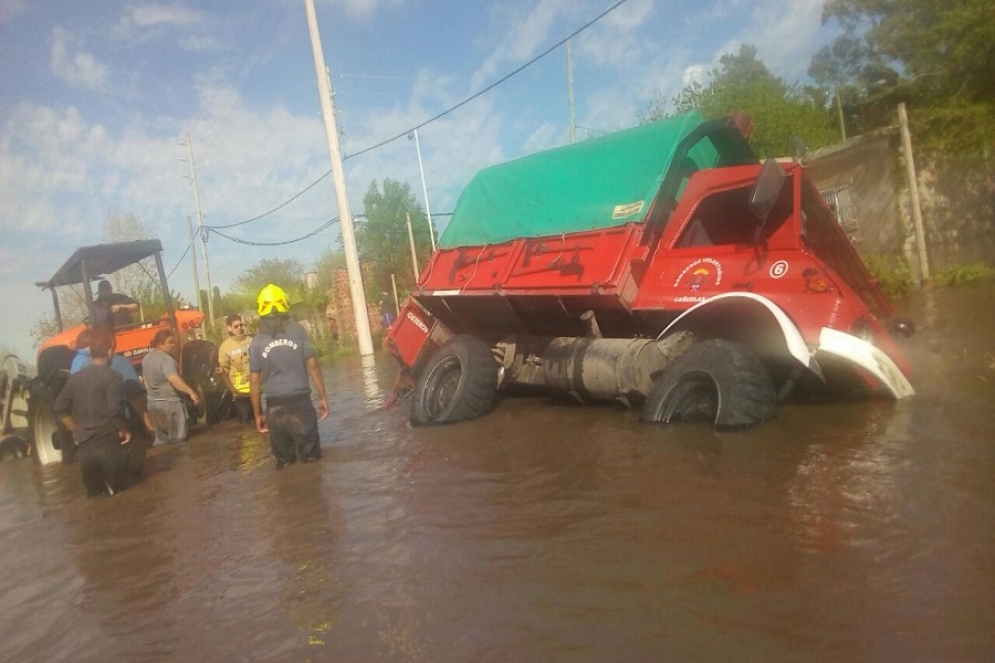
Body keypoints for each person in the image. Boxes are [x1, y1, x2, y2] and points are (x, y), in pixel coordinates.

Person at [54, 327, 146, 496]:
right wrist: (124, 431)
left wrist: (76, 429)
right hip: (108, 447)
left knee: (96, 500)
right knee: (118, 498)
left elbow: (60, 408)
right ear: (109, 351)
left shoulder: (75, 379)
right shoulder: (113, 376)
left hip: (85, 453)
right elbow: (114, 411)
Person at [249, 283, 329, 469]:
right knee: (312, 461)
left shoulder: (257, 342)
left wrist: (258, 414)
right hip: (301, 402)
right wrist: (323, 397)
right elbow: (313, 365)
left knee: (284, 464)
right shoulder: (298, 331)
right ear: (285, 305)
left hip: (275, 407)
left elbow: (254, 381)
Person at [142, 329, 200, 446]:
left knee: (161, 442)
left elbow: (145, 381)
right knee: (179, 441)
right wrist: (191, 392)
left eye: (173, 342)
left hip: (153, 406)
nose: (173, 345)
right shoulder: (166, 360)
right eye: (170, 342)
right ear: (159, 344)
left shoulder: (146, 359)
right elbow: (173, 379)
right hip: (171, 405)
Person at [218, 314, 253, 424]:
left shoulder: (252, 341)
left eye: (241, 325)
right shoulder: (224, 348)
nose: (240, 328)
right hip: (240, 395)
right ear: (229, 328)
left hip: (257, 391)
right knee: (246, 426)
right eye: (236, 326)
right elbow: (224, 372)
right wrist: (233, 390)